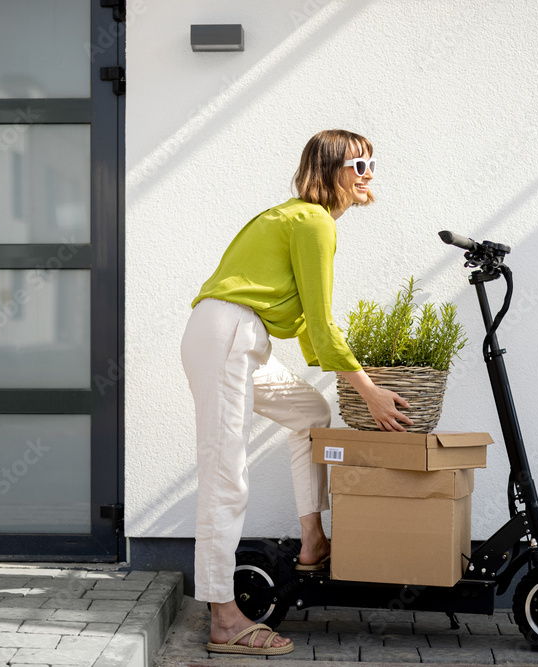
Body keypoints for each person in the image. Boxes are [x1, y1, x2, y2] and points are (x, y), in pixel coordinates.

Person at [181, 129, 414, 655]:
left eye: (372, 163)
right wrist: (371, 392)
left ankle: (313, 539)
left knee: (311, 411)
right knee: (226, 475)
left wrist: (346, 377)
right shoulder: (312, 220)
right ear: (328, 170)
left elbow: (311, 324)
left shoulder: (299, 218)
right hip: (229, 333)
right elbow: (325, 325)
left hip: (234, 335)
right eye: (358, 164)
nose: (368, 174)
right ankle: (223, 619)